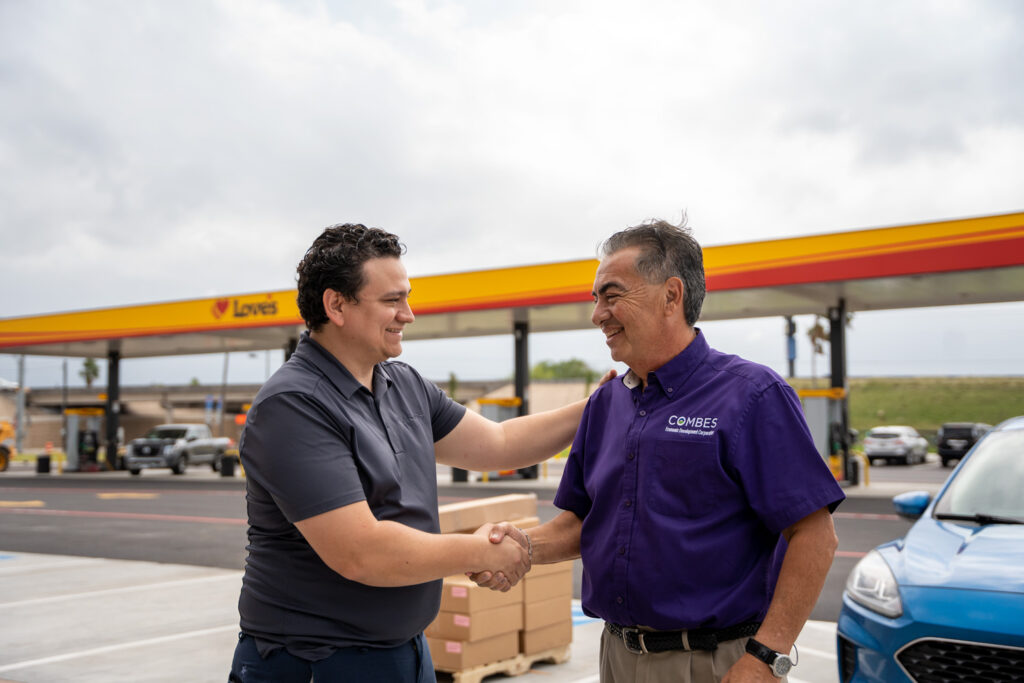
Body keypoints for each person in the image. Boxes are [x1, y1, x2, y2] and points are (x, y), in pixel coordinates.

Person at [230, 223, 612, 682]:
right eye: (392, 300)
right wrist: (482, 553)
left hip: (405, 652)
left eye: (406, 298)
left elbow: (499, 443)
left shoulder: (401, 384)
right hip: (315, 661)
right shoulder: (293, 405)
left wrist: (598, 407)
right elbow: (361, 553)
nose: (408, 314)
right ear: (336, 305)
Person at [477, 219, 845, 682]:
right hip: (617, 656)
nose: (597, 315)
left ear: (672, 296)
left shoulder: (752, 396)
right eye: (595, 299)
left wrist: (767, 658)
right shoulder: (605, 404)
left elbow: (815, 535)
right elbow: (582, 521)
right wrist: (523, 547)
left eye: (611, 296)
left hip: (715, 664)